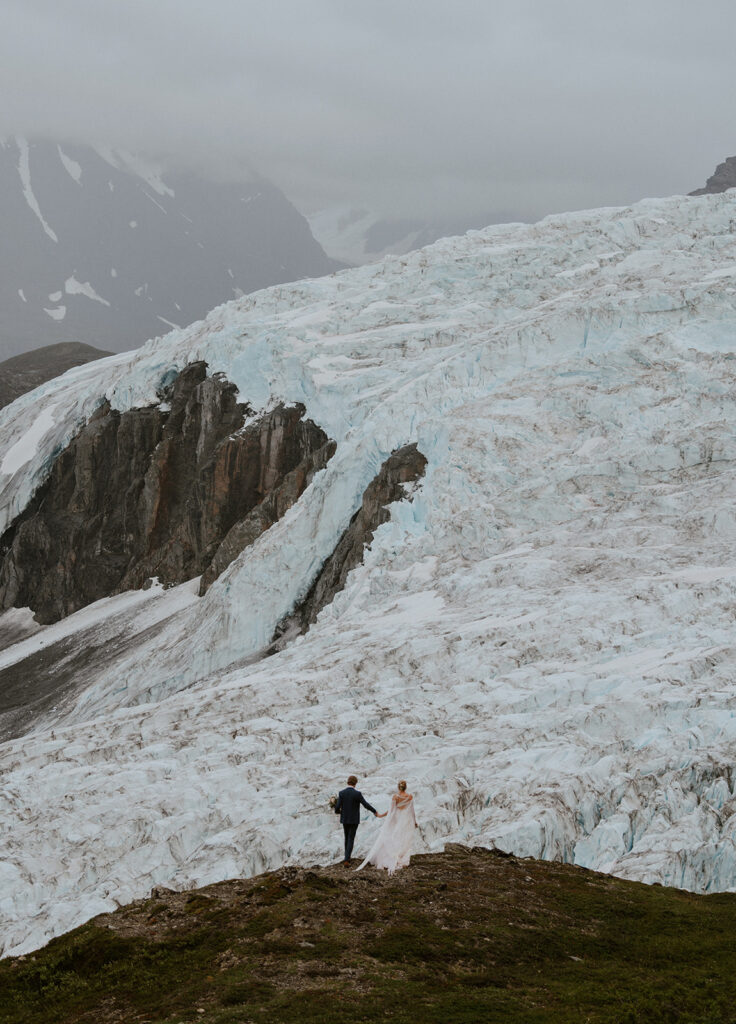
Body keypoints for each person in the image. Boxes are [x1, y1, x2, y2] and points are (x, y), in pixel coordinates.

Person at [356, 780, 418, 875]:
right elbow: (412, 811)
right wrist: (415, 822)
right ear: (406, 787)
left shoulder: (395, 797)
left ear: (398, 787)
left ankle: (393, 856)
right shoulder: (410, 797)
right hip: (405, 820)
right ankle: (401, 858)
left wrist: (381, 816)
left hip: (396, 819)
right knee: (402, 838)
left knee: (393, 837)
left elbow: (391, 811)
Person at [335, 775, 386, 866]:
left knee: (346, 837)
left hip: (345, 819)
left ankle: (346, 858)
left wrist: (339, 812)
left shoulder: (341, 793)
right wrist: (374, 811)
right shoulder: (357, 794)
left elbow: (337, 807)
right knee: (351, 838)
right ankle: (347, 859)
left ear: (348, 782)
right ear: (355, 783)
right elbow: (365, 804)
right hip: (354, 820)